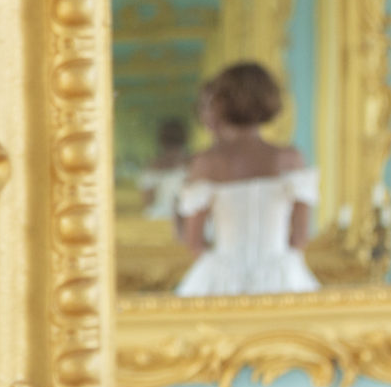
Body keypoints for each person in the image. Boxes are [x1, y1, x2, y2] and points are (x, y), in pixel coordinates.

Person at [175, 61, 320, 297]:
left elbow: (194, 242)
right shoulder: (290, 158)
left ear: (221, 102)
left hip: (220, 280)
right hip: (283, 278)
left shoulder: (207, 162)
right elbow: (300, 238)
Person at [136, 116, 191, 219]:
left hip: (158, 218)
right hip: (183, 217)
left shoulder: (151, 166)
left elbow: (147, 200)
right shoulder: (192, 163)